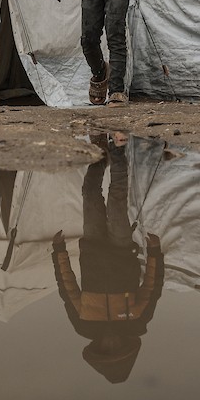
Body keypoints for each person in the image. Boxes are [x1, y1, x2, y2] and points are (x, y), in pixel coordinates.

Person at [51, 132, 163, 384]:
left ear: (98, 348)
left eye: (105, 349)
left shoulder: (84, 325)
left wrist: (59, 252)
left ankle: (100, 152)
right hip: (122, 249)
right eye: (117, 348)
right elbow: (152, 287)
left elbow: (67, 288)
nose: (111, 344)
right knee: (116, 200)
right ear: (126, 346)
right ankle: (118, 148)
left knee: (90, 193)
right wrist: (155, 253)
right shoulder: (138, 322)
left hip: (92, 248)